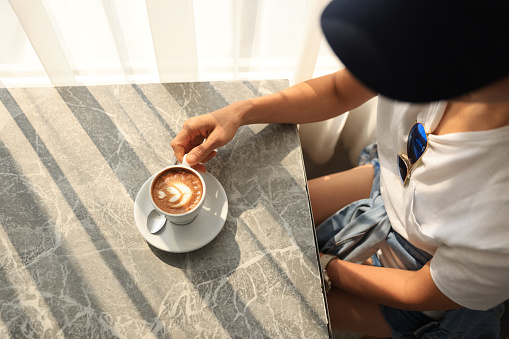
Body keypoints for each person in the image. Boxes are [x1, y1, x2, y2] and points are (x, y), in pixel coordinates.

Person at [171, 0, 509, 337]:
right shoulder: (433, 47)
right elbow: (337, 91)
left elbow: (421, 290)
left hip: (419, 281)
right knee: (248, 214)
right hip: (388, 187)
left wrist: (326, 267)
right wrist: (240, 113)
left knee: (264, 307)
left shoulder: (499, 217)